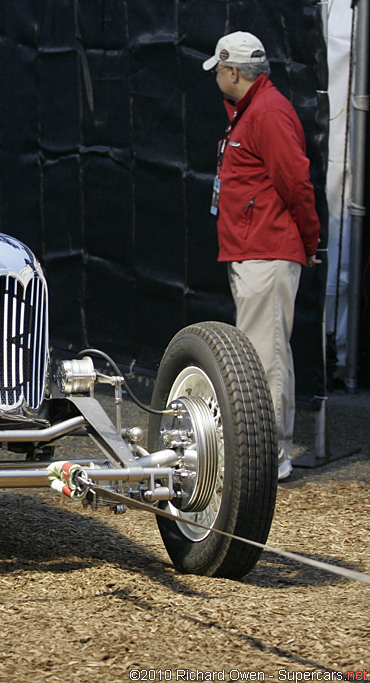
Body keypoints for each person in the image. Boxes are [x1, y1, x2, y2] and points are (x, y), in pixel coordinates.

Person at [203, 31, 321, 481]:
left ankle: (267, 457)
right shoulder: (254, 110)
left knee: (262, 358)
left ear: (233, 71)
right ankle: (268, 451)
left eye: (219, 69)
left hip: (267, 251)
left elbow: (296, 184)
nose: (216, 76)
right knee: (263, 354)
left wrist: (306, 243)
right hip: (256, 248)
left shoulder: (267, 113)